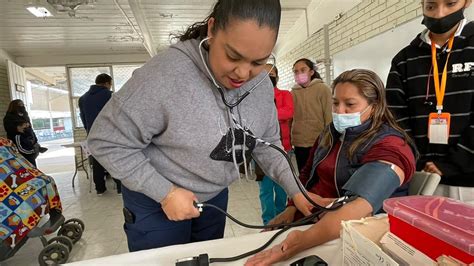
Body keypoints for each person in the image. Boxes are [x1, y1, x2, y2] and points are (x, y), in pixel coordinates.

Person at [87, 0, 313, 251]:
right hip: (154, 200)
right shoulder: (164, 75)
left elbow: (267, 145)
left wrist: (297, 191)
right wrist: (165, 192)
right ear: (212, 29)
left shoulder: (260, 85)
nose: (243, 73)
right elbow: (105, 141)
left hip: (214, 197)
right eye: (233, 56)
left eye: (258, 62)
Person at [245, 69, 416, 265]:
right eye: (335, 103)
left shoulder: (391, 146)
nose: (339, 111)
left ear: (375, 107)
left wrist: (295, 244)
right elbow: (307, 174)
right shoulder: (330, 133)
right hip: (313, 218)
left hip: (349, 234)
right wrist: (292, 208)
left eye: (350, 105)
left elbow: (358, 207)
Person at [386, 0, 474, 204]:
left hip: (469, 180)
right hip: (421, 179)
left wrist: (452, 163)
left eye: (450, 4)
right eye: (431, 6)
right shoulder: (404, 60)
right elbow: (395, 118)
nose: (440, 14)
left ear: (467, 2)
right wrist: (418, 161)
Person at [257, 64, 293, 225]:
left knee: (281, 187)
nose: (268, 76)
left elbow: (288, 112)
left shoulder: (285, 94)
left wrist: (267, 115)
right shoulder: (254, 96)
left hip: (283, 147)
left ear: (277, 77)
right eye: (264, 73)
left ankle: (281, 218)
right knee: (265, 189)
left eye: (272, 74)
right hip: (259, 150)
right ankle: (268, 221)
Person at [78, 73, 122, 195]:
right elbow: (117, 114)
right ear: (107, 83)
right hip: (109, 134)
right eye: (110, 84)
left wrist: (89, 130)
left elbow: (83, 117)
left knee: (97, 162)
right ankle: (120, 187)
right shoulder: (109, 95)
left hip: (92, 134)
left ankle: (100, 189)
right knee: (113, 160)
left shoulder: (83, 98)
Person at [291, 58, 332, 172]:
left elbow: (329, 116)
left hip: (319, 141)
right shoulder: (293, 92)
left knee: (318, 174)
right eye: (296, 71)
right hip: (299, 141)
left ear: (311, 72)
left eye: (303, 70)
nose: (299, 73)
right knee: (303, 173)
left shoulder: (323, 89)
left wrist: (328, 140)